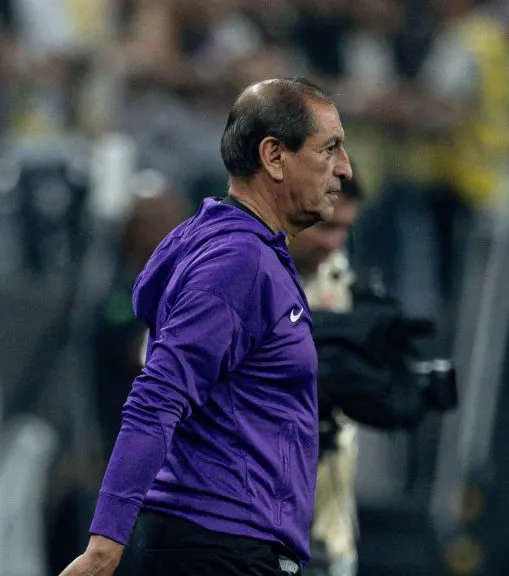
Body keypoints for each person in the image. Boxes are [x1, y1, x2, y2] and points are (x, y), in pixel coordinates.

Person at [59, 76, 354, 576]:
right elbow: (158, 396)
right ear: (274, 157)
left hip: (221, 542)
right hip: (221, 549)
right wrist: (104, 548)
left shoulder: (236, 247)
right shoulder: (237, 261)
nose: (344, 169)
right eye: (329, 149)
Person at [289, 172, 363, 576]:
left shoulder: (338, 276)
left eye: (345, 231)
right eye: (326, 227)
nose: (333, 243)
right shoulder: (235, 270)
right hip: (244, 526)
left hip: (330, 528)